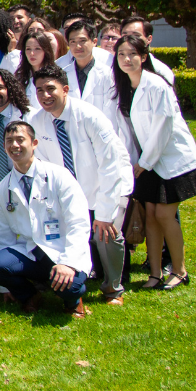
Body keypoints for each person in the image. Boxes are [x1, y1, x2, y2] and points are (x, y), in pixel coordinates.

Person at [29, 62, 134, 302]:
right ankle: (73, 274)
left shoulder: (89, 116)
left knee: (106, 234)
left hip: (109, 184)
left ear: (65, 89)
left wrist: (104, 213)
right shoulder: (37, 121)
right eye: (39, 90)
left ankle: (113, 287)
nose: (45, 95)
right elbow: (44, 166)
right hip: (72, 190)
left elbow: (110, 166)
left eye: (50, 89)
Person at [112, 35, 196, 291]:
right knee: (150, 215)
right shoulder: (125, 85)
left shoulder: (156, 85)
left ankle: (179, 271)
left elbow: (163, 128)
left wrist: (145, 162)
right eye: (121, 54)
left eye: (132, 54)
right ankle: (156, 273)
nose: (126, 59)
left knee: (164, 215)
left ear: (144, 57)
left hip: (170, 159)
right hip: (145, 161)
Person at [0, 121, 93, 318]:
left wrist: (68, 263)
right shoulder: (3, 189)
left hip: (62, 249)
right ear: (4, 147)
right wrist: (6, 287)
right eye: (9, 141)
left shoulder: (59, 176)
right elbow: (3, 236)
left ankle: (73, 301)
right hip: (32, 252)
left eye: (20, 140)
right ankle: (30, 296)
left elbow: (78, 223)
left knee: (71, 287)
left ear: (34, 143)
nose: (14, 145)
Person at [60, 20, 117, 117]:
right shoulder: (62, 74)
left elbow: (111, 112)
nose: (78, 46)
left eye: (82, 41)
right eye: (73, 42)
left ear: (94, 42)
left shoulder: (108, 74)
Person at [121, 16, 176, 86]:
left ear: (149, 39)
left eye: (136, 36)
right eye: (125, 36)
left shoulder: (161, 71)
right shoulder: (112, 68)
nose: (129, 40)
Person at [14, 30, 56, 112]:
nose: (32, 53)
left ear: (46, 50)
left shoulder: (55, 76)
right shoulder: (20, 77)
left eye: (37, 49)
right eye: (28, 49)